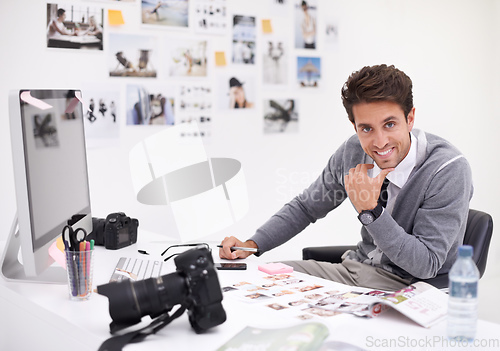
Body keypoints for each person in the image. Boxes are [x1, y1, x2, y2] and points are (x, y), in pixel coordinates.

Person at [220, 64, 473, 291]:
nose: (380, 142)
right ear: (355, 127)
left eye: (389, 124)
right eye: (366, 129)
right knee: (256, 278)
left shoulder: (447, 169)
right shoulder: (354, 151)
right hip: (357, 271)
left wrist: (371, 212)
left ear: (410, 119)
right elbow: (306, 207)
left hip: (411, 287)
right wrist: (252, 245)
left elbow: (427, 264)